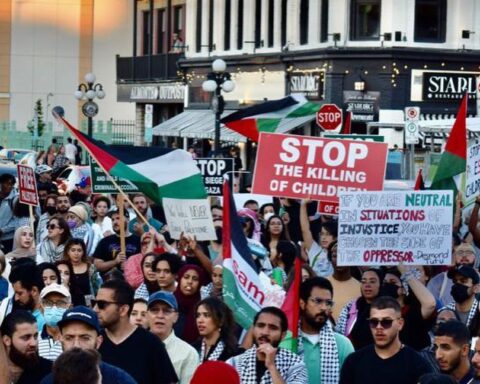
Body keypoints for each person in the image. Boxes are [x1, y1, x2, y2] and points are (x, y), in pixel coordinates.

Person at [94, 279, 178, 384]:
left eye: (102, 304)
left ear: (123, 310)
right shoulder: (94, 340)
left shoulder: (151, 343)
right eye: (95, 303)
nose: (95, 309)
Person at [339, 296, 432, 384]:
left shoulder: (418, 365)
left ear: (400, 324)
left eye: (386, 322)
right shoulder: (354, 362)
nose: (379, 327)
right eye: (374, 322)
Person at [40, 305, 137, 384]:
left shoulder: (120, 380)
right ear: (60, 339)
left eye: (85, 338)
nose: (76, 345)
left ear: (98, 342)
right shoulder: (49, 381)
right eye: (69, 338)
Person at [227, 306, 308, 383]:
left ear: (283, 335)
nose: (265, 332)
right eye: (260, 326)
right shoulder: (235, 363)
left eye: (273, 328)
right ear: (253, 329)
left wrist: (271, 367)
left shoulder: (295, 364)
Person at [296, 277, 354, 383]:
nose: (323, 308)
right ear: (302, 303)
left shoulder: (342, 344)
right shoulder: (288, 342)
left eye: (328, 303)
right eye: (318, 301)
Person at [147, 291, 199, 383]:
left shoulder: (188, 354)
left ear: (176, 317)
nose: (160, 316)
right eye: (155, 310)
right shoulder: (133, 346)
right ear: (147, 315)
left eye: (166, 311)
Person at [336, 268, 383, 350]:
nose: (367, 285)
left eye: (372, 281)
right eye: (363, 281)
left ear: (381, 284)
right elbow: (340, 332)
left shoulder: (387, 307)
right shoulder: (351, 306)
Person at [0, 310, 52, 383]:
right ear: (7, 340)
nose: (33, 343)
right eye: (26, 337)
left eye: (35, 336)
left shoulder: (50, 371)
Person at [93, 209, 141, 274]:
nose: (115, 222)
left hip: (131, 281)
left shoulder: (138, 240)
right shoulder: (105, 241)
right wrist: (115, 262)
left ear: (128, 219)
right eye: (113, 219)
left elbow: (145, 262)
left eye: (118, 218)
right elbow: (97, 265)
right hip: (110, 281)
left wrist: (130, 266)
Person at [428, 241, 477, 306]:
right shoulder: (439, 280)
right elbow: (430, 305)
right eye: (460, 253)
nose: (464, 256)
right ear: (454, 257)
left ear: (475, 258)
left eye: (469, 252)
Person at [194, 296, 238, 362]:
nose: (200, 320)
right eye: (198, 315)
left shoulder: (233, 353)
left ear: (220, 321)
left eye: (206, 315)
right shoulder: (193, 349)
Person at [300, 200, 336, 277]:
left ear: (336, 237)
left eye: (328, 234)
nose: (324, 237)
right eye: (322, 234)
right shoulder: (315, 250)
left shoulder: (342, 255)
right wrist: (303, 205)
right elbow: (305, 230)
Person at [325, 242, 360, 321]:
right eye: (335, 256)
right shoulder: (322, 284)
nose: (339, 260)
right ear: (330, 259)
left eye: (343, 255)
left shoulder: (360, 287)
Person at [63, 238, 101, 306]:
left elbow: (97, 288)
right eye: (73, 250)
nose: (76, 253)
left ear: (83, 252)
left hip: (87, 305)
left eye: (79, 250)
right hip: (68, 304)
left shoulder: (91, 268)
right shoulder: (63, 268)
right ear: (68, 252)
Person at [38, 283, 71, 361]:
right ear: (41, 308)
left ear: (69, 308)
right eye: (48, 303)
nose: (54, 307)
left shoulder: (73, 341)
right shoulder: (34, 341)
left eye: (61, 303)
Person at [174, 264, 204, 343]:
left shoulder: (203, 309)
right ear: (180, 279)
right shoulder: (168, 303)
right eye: (186, 277)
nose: (190, 282)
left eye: (195, 279)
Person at [0, 173, 18, 253]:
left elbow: (17, 220)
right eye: (7, 184)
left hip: (7, 239)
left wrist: (3, 230)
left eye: (12, 184)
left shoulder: (15, 200)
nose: (10, 186)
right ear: (1, 184)